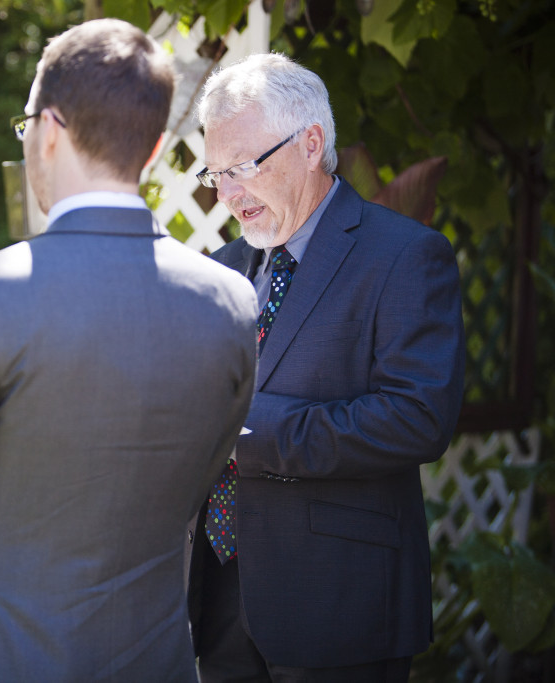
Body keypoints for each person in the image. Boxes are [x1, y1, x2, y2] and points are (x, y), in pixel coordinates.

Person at [0, 18, 259, 682]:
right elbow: (202, 474)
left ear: (50, 130)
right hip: (155, 656)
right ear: (150, 152)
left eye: (26, 123)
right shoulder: (231, 302)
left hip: (7, 656)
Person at [186, 53, 466, 682]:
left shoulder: (406, 256)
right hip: (221, 601)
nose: (226, 193)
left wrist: (242, 432)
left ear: (310, 144)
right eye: (215, 172)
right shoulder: (223, 267)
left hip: (340, 608)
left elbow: (418, 418)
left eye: (242, 168)